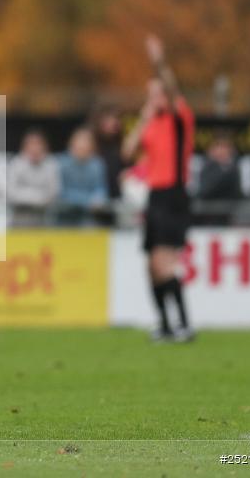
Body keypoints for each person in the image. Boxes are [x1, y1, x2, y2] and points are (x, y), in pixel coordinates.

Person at [122, 35, 195, 342]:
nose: (153, 98)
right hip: (154, 197)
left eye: (156, 94)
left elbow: (172, 85)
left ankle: (184, 325)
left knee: (164, 263)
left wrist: (159, 61)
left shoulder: (180, 120)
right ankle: (165, 325)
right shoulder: (152, 123)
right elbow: (127, 152)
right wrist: (143, 118)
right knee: (151, 266)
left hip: (173, 194)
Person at [7, 128, 59, 226]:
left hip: (45, 216)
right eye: (31, 144)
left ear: (45, 146)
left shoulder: (51, 164)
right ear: (24, 147)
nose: (35, 147)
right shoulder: (16, 163)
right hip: (19, 215)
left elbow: (53, 193)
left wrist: (25, 194)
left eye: (38, 144)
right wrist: (38, 196)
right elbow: (11, 193)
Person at [57, 127, 108, 226]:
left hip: (89, 215)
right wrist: (88, 201)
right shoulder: (61, 163)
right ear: (71, 146)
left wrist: (99, 198)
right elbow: (62, 191)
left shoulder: (97, 164)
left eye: (86, 147)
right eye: (79, 147)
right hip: (65, 213)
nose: (82, 149)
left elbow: (100, 188)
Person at [90, 104, 125, 199]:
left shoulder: (121, 142)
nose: (114, 123)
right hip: (96, 198)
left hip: (118, 196)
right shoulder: (91, 142)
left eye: (116, 119)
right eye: (109, 119)